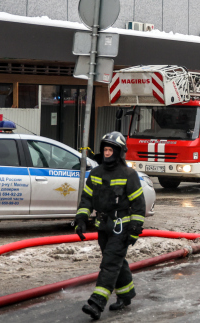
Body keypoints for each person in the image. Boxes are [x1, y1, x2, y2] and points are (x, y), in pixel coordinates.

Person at [75, 132, 147, 320]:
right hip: (103, 227)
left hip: (121, 229)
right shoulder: (96, 173)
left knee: (109, 264)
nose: (107, 153)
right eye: (105, 150)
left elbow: (138, 205)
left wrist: (135, 229)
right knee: (116, 262)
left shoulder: (129, 175)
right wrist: (81, 219)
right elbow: (86, 199)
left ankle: (97, 302)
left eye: (110, 150)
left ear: (118, 152)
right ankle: (126, 295)